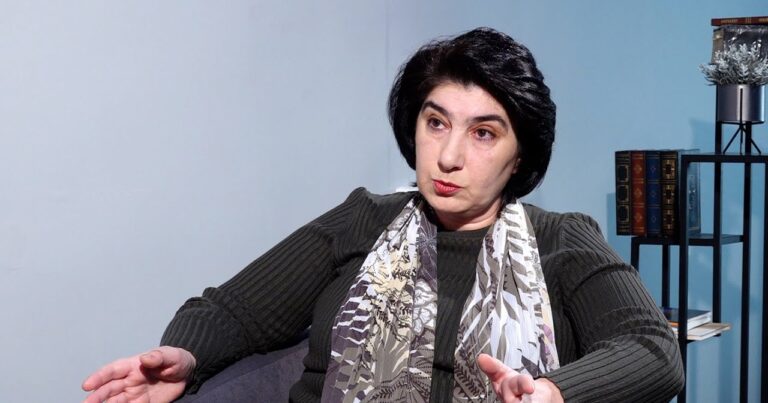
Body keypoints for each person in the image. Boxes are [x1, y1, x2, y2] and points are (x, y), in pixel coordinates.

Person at [82, 27, 684, 403]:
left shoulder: (562, 241)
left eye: (483, 133)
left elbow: (653, 351)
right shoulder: (363, 219)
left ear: (519, 154)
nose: (448, 156)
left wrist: (552, 392)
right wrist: (185, 356)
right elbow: (229, 311)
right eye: (436, 122)